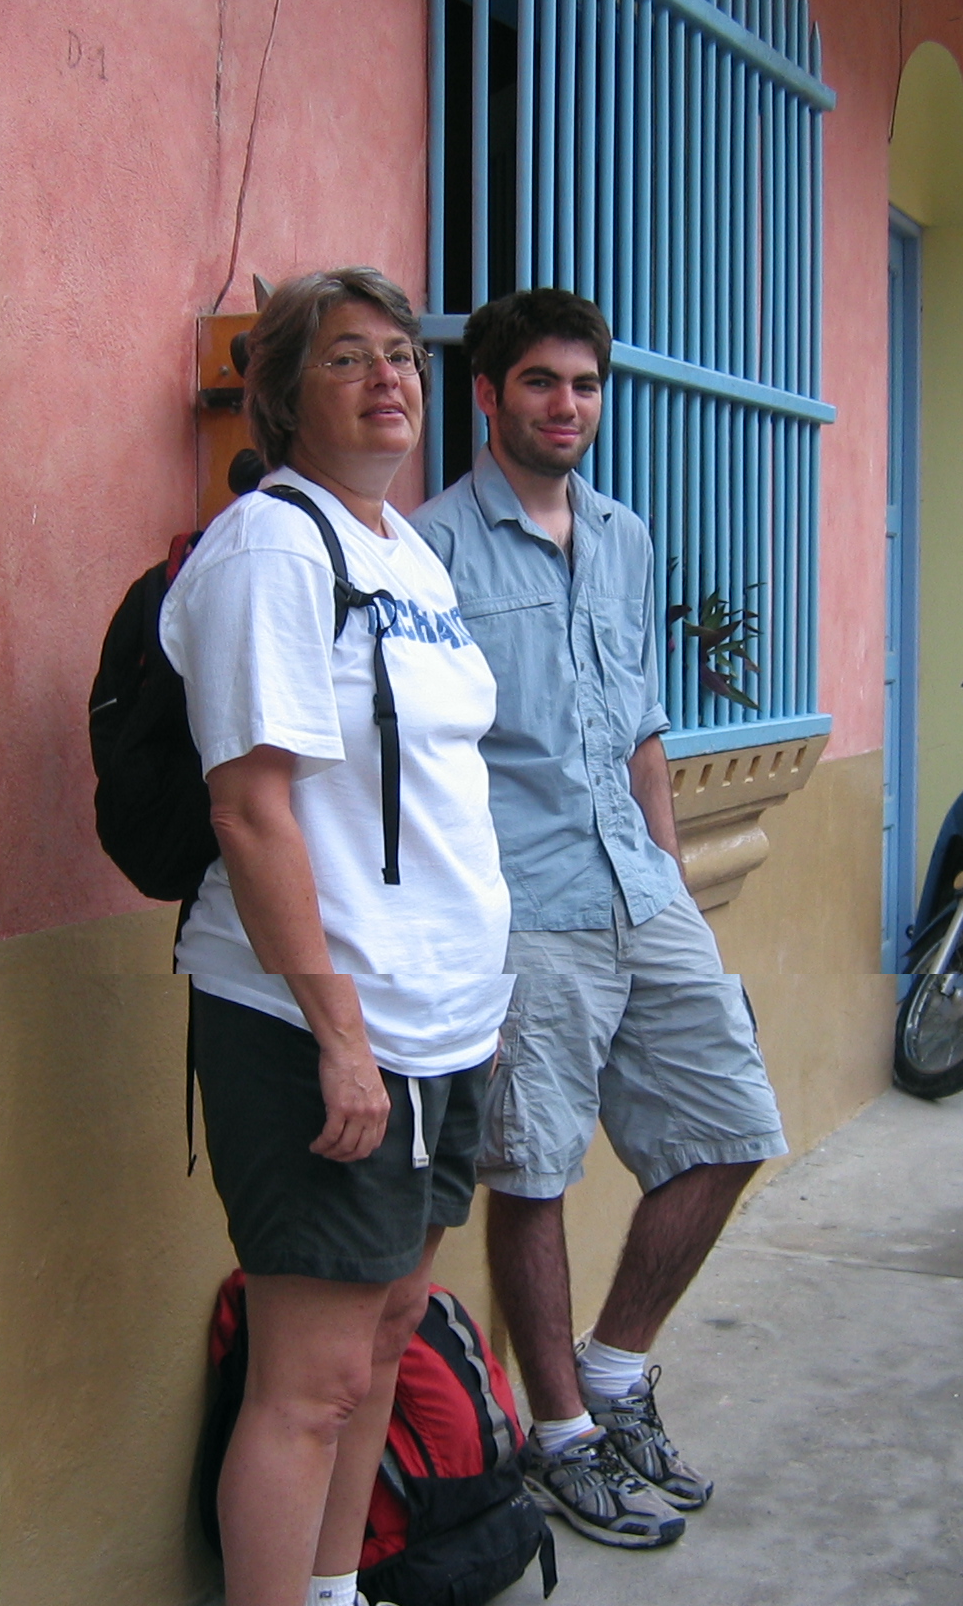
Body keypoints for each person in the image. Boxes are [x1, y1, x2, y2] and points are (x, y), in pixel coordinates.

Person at [412, 288, 788, 1551]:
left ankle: (614, 1372)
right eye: (539, 382)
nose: (565, 405)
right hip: (523, 906)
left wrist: (674, 886)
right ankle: (561, 1433)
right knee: (533, 1170)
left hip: (639, 886)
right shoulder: (433, 551)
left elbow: (641, 731)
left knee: (731, 1123)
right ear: (487, 395)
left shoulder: (623, 535)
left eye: (582, 384)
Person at [160, 267, 513, 1606]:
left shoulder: (407, 554)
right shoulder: (270, 547)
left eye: (403, 357)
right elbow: (251, 809)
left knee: (384, 1337)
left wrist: (475, 1006)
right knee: (307, 1385)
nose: (389, 379)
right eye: (348, 357)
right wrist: (340, 1035)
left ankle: (334, 1590)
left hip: (442, 1017)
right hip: (320, 1021)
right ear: (281, 394)